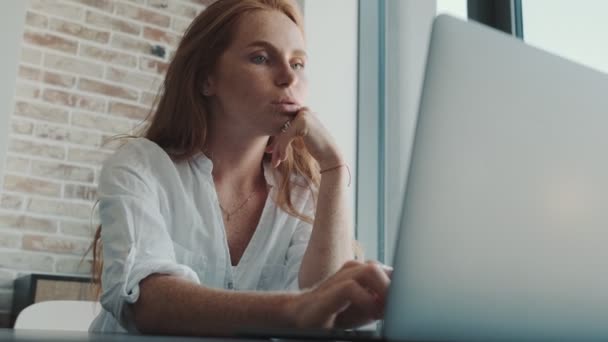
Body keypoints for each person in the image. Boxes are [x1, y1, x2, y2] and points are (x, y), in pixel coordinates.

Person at [88, 0, 391, 336]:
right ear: (207, 79)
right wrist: (296, 310)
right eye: (261, 58)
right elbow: (146, 303)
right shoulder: (140, 166)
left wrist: (333, 167)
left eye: (299, 63)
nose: (289, 76)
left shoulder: (303, 192)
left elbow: (328, 313)